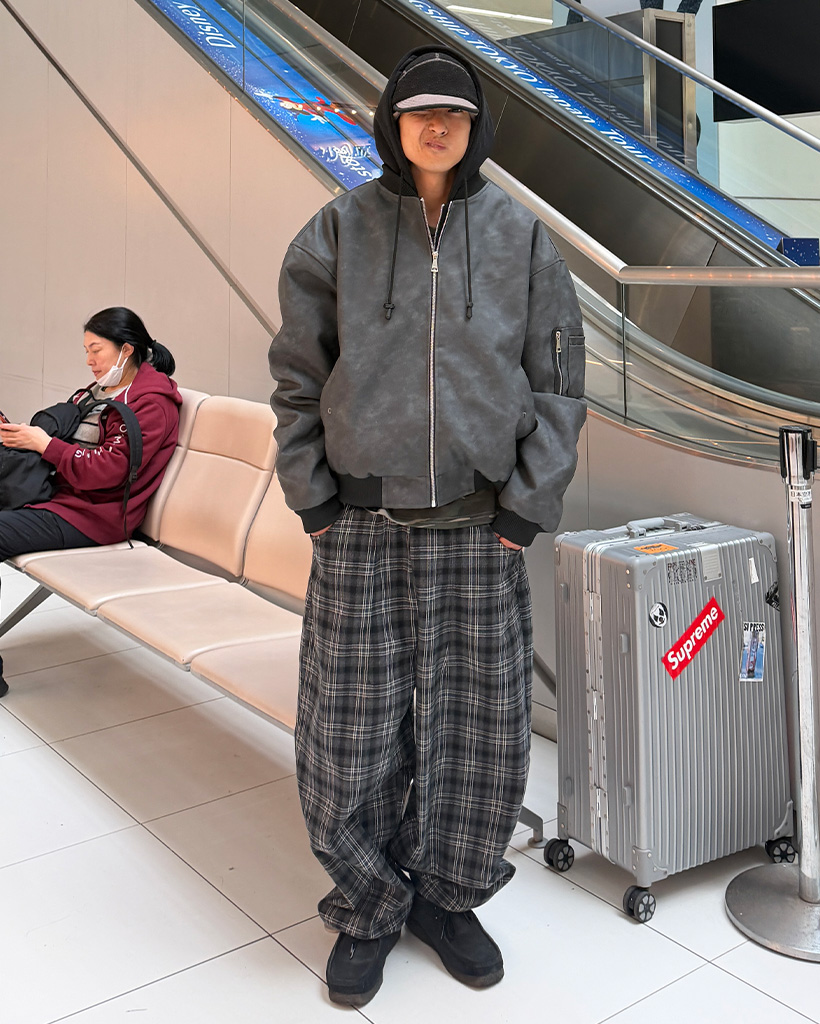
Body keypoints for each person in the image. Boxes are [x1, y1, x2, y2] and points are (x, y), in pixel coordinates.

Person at [269, 46, 586, 1007]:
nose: (437, 125)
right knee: (349, 728)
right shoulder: (337, 230)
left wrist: (526, 507)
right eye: (419, 112)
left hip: (479, 528)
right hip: (360, 526)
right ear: (392, 124)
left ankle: (448, 897)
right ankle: (367, 905)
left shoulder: (521, 239)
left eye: (455, 112)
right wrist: (316, 504)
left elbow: (558, 385)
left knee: (480, 729)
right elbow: (296, 379)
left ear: (476, 127)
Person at [0, 307, 182, 697]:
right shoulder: (98, 392)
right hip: (59, 497)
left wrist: (45, 445)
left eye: (96, 350)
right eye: (86, 351)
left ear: (126, 349)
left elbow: (108, 471)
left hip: (93, 517)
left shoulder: (152, 403)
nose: (89, 360)